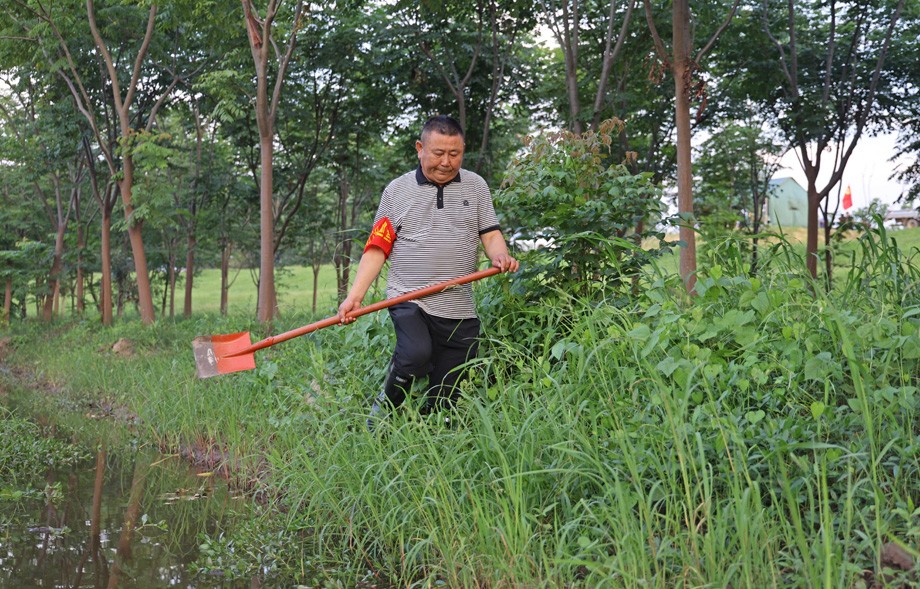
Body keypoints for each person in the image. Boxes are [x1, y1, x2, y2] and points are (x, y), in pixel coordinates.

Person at [337, 115, 519, 428]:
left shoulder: (476, 186)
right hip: (409, 296)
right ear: (420, 148)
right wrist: (355, 297)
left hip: (459, 305)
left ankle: (433, 432)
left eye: (455, 154)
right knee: (415, 355)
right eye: (438, 153)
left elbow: (489, 233)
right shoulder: (397, 191)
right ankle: (378, 422)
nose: (447, 162)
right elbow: (378, 248)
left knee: (450, 383)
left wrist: (500, 254)